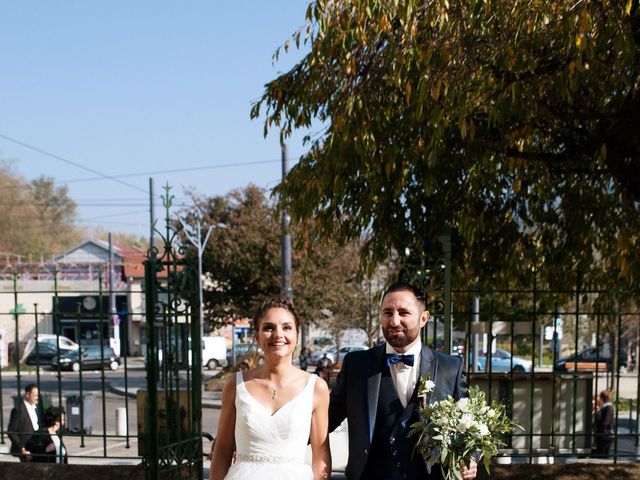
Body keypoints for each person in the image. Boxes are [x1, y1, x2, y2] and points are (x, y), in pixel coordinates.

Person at [328, 282, 477, 480]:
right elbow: (328, 417)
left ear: (424, 318)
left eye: (404, 313)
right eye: (387, 313)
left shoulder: (450, 368)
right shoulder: (357, 365)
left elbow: (469, 425)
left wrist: (471, 458)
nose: (394, 321)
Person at [210, 298, 331, 480]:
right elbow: (222, 450)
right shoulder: (235, 385)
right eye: (268, 328)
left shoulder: (316, 388)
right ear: (257, 336)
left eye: (287, 327)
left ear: (297, 335)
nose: (278, 334)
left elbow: (321, 455)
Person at [8, 384, 40, 462]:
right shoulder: (19, 410)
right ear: (27, 394)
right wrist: (21, 448)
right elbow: (11, 431)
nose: (37, 398)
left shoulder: (36, 408)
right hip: (26, 449)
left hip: (37, 446)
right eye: (35, 395)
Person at [592, 389, 615, 457]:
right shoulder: (605, 407)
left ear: (602, 398)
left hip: (605, 436)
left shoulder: (608, 408)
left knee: (602, 455)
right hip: (604, 435)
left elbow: (606, 422)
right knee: (601, 454)